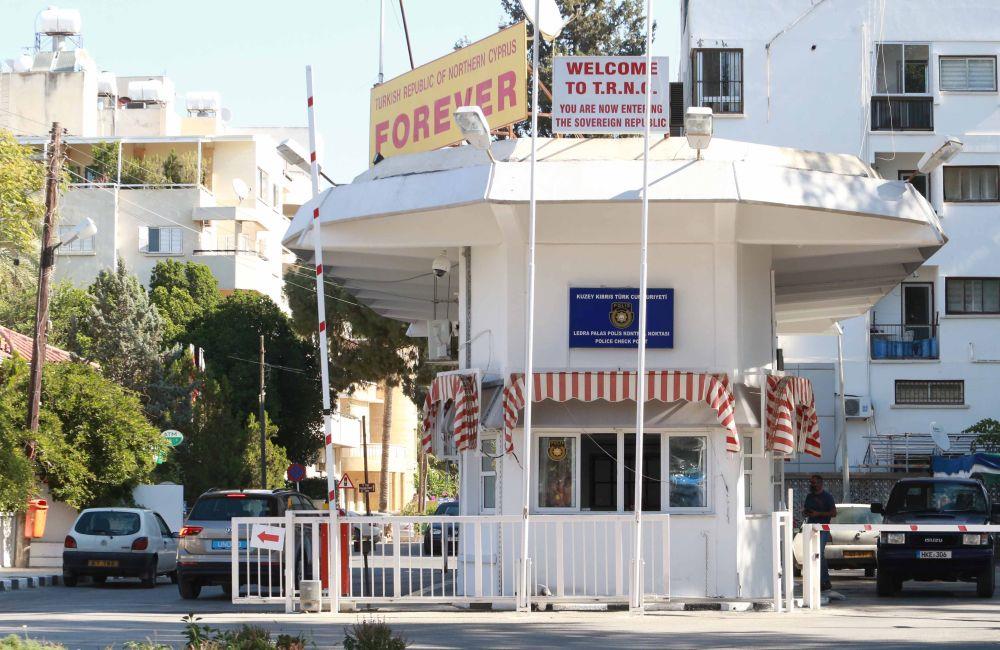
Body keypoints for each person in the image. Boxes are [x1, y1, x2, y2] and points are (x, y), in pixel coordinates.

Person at [803, 474, 837, 591]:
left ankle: (825, 580)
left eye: (814, 483)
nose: (812, 485)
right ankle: (814, 580)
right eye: (811, 482)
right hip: (811, 527)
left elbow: (834, 513)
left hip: (823, 528)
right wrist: (806, 512)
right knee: (811, 553)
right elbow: (806, 509)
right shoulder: (809, 496)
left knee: (819, 553)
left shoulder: (827, 497)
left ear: (820, 483)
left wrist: (819, 514)